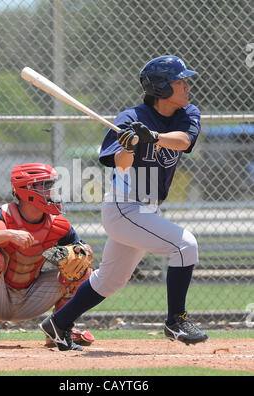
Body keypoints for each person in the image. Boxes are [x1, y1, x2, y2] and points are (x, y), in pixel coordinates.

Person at [40, 55, 209, 350]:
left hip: (148, 207)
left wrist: (153, 136)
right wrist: (130, 146)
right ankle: (176, 321)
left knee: (110, 280)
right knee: (185, 245)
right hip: (125, 206)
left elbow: (183, 141)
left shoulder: (187, 112)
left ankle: (59, 322)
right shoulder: (129, 118)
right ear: (161, 88)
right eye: (179, 81)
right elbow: (119, 164)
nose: (186, 86)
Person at [0, 162, 94, 351]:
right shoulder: (0, 216)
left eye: (50, 186)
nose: (50, 191)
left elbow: (82, 250)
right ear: (26, 190)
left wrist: (84, 252)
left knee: (82, 269)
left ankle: (59, 328)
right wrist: (8, 234)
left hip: (32, 297)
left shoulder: (58, 224)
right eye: (44, 186)